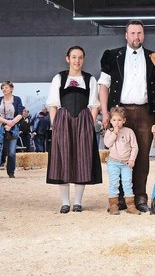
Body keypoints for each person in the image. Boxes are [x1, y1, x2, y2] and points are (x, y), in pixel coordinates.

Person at [98, 19, 155, 212]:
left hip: (145, 112)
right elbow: (103, 85)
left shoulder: (154, 57)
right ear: (126, 35)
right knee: (119, 154)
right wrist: (105, 113)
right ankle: (120, 198)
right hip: (119, 112)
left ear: (143, 35)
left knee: (142, 155)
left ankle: (140, 197)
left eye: (139, 33)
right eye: (133, 33)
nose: (136, 37)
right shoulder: (112, 56)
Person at [46, 46, 103, 214]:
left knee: (82, 160)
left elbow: (94, 106)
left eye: (80, 57)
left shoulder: (90, 79)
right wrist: (55, 124)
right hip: (63, 121)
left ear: (83, 60)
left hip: (84, 122)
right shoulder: (59, 78)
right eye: (74, 57)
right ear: (67, 59)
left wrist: (89, 127)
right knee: (62, 160)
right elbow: (52, 104)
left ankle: (77, 202)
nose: (77, 60)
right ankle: (65, 202)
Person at [103, 106, 140, 215]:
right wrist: (114, 133)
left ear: (124, 120)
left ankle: (130, 206)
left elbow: (135, 147)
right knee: (114, 183)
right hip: (113, 163)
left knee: (127, 183)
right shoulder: (109, 132)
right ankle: (114, 205)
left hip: (126, 164)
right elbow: (107, 144)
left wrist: (132, 159)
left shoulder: (129, 132)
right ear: (110, 121)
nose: (117, 123)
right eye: (114, 120)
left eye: (119, 120)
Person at [0, 81, 24, 179]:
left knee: (11, 152)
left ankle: (11, 172)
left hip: (13, 127)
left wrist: (11, 123)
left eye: (6, 87)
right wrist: (6, 122)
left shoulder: (17, 99)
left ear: (11, 89)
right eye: (2, 88)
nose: (4, 89)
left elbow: (20, 113)